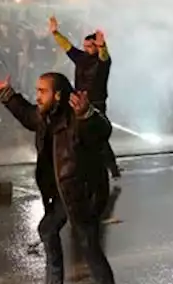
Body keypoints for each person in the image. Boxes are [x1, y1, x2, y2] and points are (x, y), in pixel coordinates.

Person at [0, 71, 122, 284]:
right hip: (63, 191)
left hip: (83, 194)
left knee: (89, 248)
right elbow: (27, 115)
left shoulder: (76, 119)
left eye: (43, 91)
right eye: (37, 90)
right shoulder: (44, 116)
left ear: (58, 95)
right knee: (48, 229)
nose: (37, 96)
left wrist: (87, 113)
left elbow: (102, 129)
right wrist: (7, 94)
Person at [49, 17, 121, 180]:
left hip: (96, 103)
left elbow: (104, 55)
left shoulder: (103, 62)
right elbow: (67, 46)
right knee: (79, 134)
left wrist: (102, 45)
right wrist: (55, 33)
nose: (86, 48)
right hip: (79, 102)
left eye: (90, 46)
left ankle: (112, 167)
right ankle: (85, 166)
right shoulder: (81, 58)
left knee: (98, 136)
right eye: (85, 46)